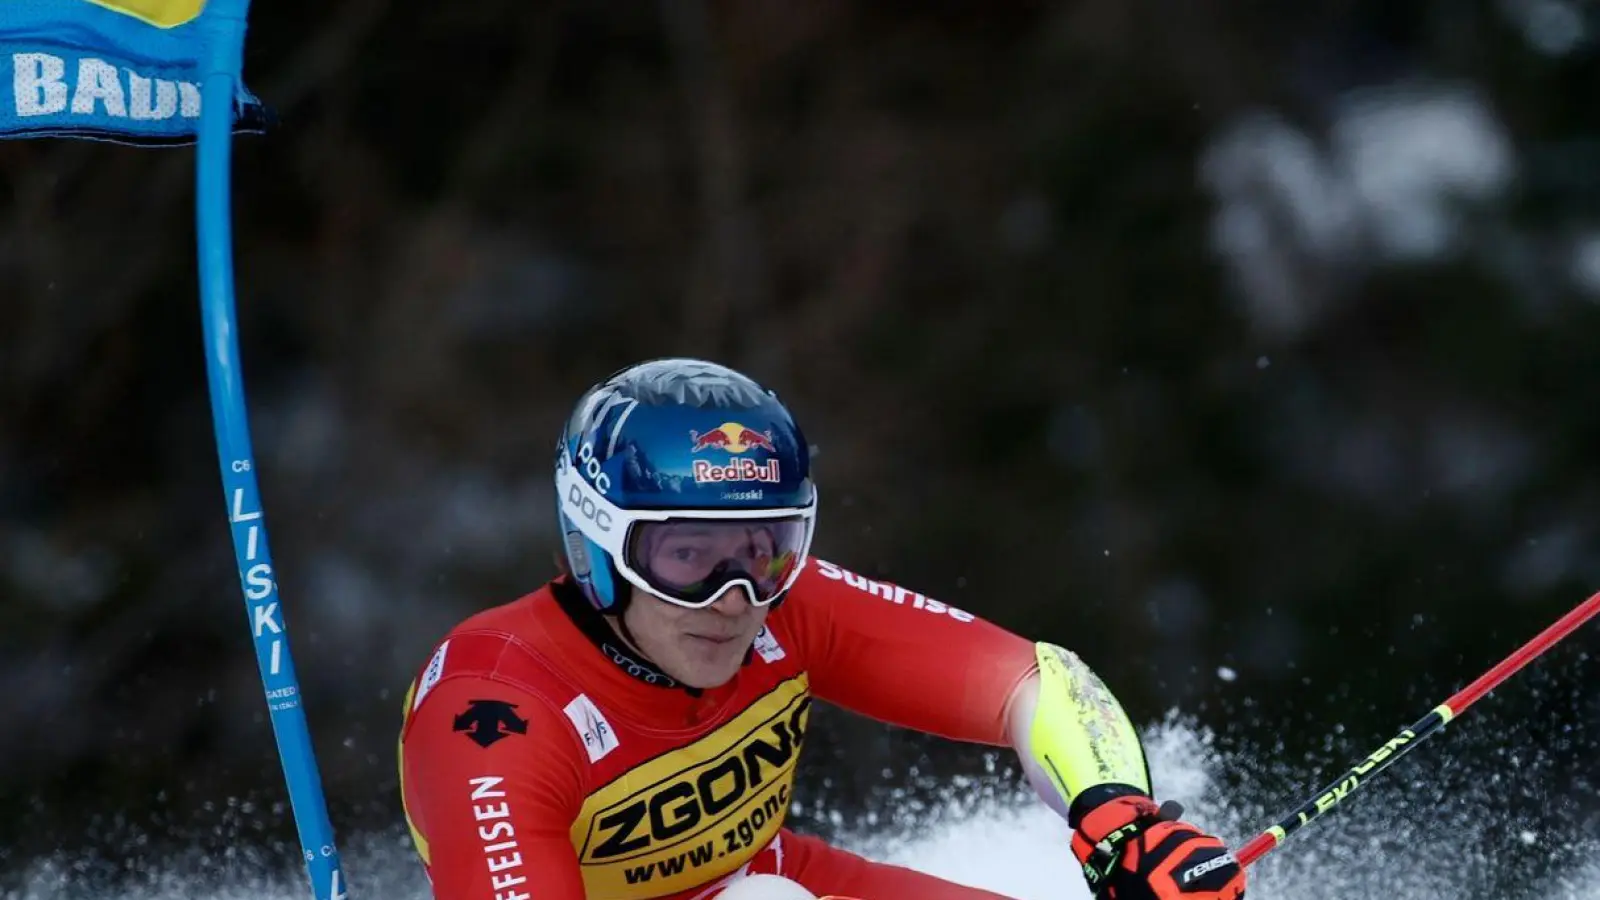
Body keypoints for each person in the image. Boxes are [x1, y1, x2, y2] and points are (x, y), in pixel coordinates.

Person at [397, 358, 1246, 900]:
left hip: (768, 880)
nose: (735, 596)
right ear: (598, 545)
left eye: (765, 550)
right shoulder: (496, 715)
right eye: (689, 553)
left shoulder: (788, 606)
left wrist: (1123, 822)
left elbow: (1037, 683)